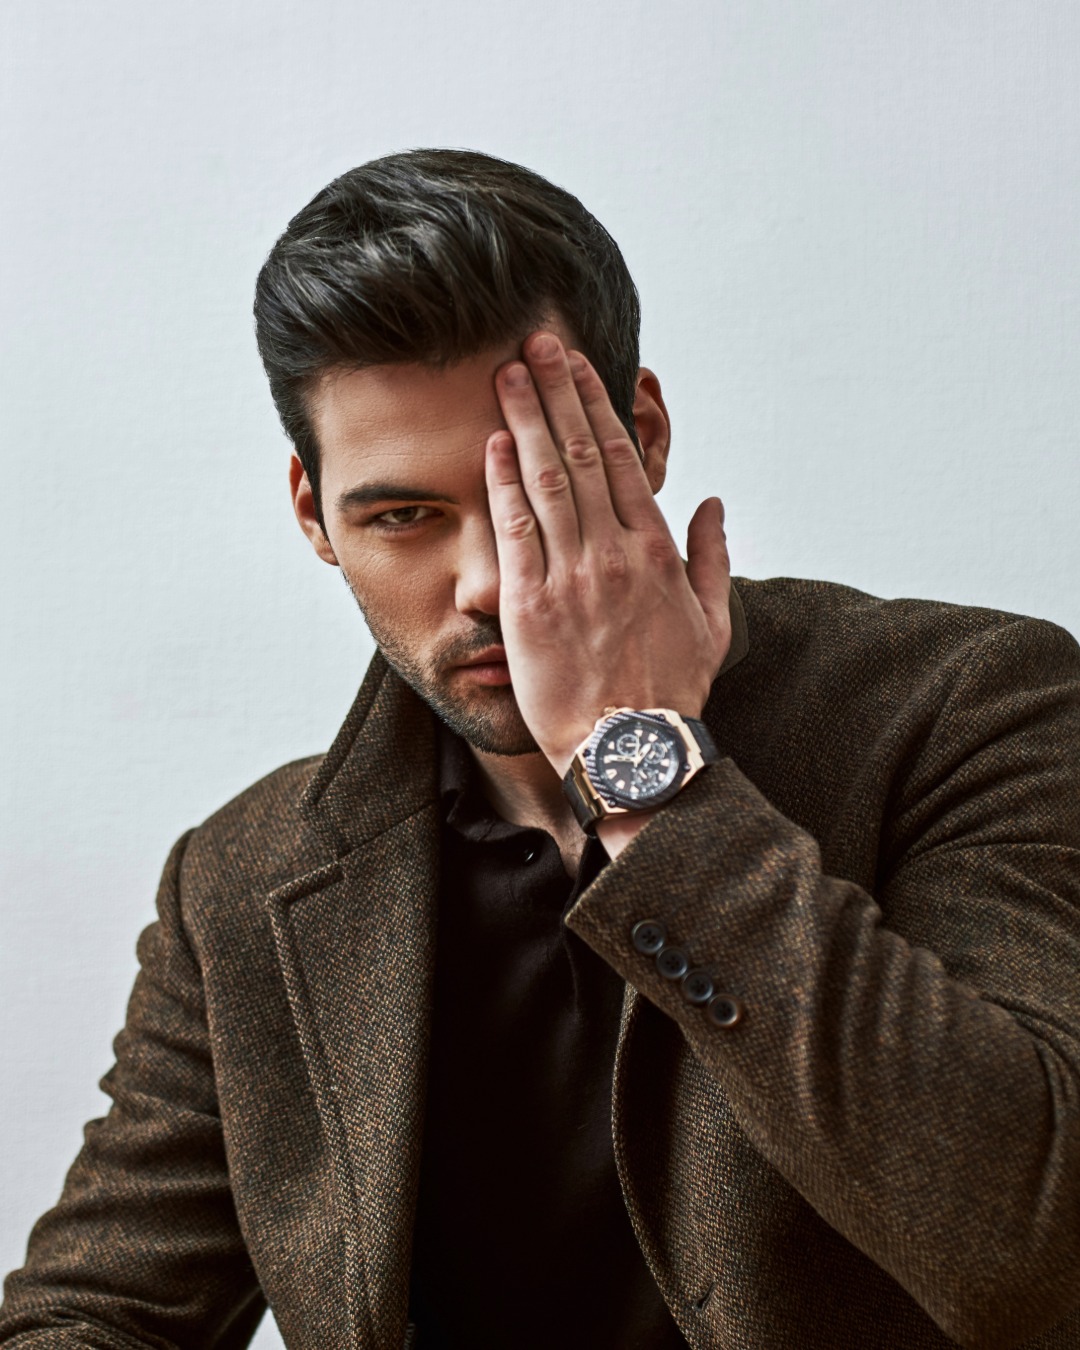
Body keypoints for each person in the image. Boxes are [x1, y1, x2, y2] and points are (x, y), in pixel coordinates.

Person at [2, 147, 1080, 1350]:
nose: (484, 582)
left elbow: (1040, 1254)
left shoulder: (969, 708)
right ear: (314, 514)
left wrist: (645, 775)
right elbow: (95, 1313)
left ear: (644, 435)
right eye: (402, 516)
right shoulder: (241, 882)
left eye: (533, 489)